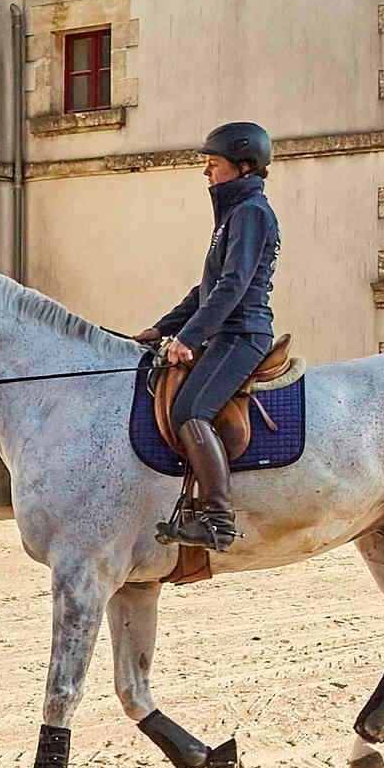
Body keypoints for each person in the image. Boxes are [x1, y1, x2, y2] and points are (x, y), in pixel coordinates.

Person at [134, 121, 280, 550]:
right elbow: (206, 291)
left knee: (190, 412)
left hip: (242, 333)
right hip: (226, 330)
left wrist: (190, 339)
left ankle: (219, 519)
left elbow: (232, 288)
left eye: (213, 165)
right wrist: (162, 328)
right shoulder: (235, 214)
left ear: (243, 165)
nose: (207, 173)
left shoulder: (251, 213)